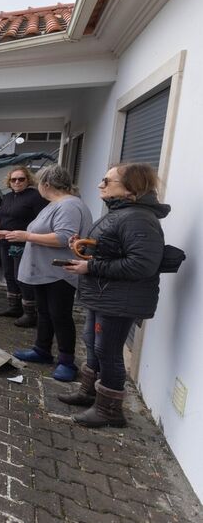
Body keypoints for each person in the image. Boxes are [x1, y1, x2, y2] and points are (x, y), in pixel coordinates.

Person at [60, 163, 167, 428]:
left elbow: (142, 264)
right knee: (93, 342)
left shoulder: (138, 218)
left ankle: (110, 411)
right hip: (104, 294)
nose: (100, 185)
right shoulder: (121, 213)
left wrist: (91, 266)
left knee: (108, 351)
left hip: (120, 300)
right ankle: (89, 393)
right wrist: (82, 246)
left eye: (107, 181)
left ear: (131, 188)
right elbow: (112, 249)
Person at [0, 165, 92, 381]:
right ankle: (42, 350)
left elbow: (62, 237)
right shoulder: (56, 204)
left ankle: (67, 361)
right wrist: (13, 234)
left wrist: (25, 237)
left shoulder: (68, 206)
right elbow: (40, 231)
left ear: (46, 185)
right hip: (46, 272)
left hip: (59, 272)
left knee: (60, 315)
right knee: (45, 312)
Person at [0, 166, 49, 327]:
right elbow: (0, 216)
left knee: (22, 278)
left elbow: (42, 221)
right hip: (5, 242)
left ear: (28, 180)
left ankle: (30, 314)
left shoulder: (35, 197)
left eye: (21, 179)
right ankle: (14, 307)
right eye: (13, 179)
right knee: (9, 275)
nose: (17, 182)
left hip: (24, 244)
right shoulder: (8, 197)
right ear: (9, 182)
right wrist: (0, 228)